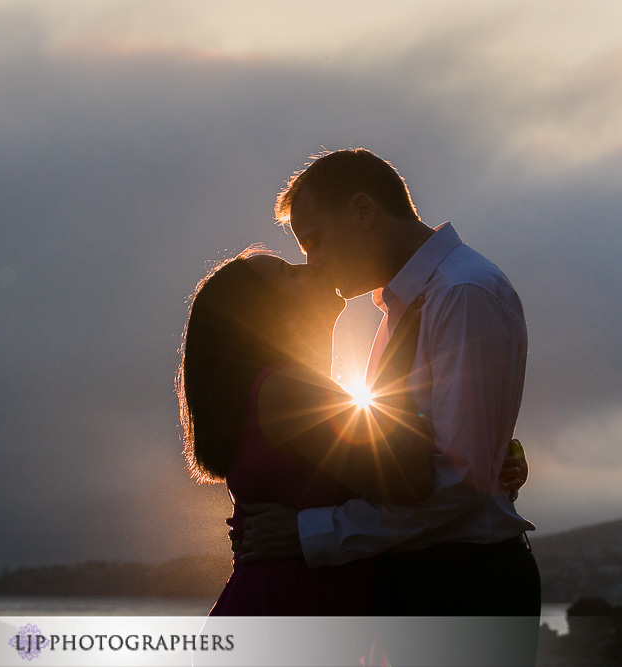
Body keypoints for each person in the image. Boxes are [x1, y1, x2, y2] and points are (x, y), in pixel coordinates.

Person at [238, 149, 540, 651]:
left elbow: (456, 480)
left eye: (314, 241)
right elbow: (411, 453)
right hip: (425, 584)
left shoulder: (463, 293)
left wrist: (308, 534)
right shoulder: (407, 306)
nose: (312, 263)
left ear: (362, 211)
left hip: (463, 589)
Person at [177, 246, 437, 615]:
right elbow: (412, 478)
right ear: (268, 313)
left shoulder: (275, 390)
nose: (311, 267)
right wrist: (397, 367)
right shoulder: (287, 391)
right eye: (289, 272)